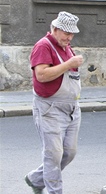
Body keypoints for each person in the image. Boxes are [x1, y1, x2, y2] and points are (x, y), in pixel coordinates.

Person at [24, 11, 84, 194]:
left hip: (71, 110)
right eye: (67, 33)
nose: (70, 37)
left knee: (69, 152)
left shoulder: (66, 47)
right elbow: (41, 75)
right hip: (50, 109)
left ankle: (35, 178)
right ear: (55, 29)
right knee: (53, 155)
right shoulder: (43, 46)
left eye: (72, 33)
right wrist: (69, 64)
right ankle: (54, 191)